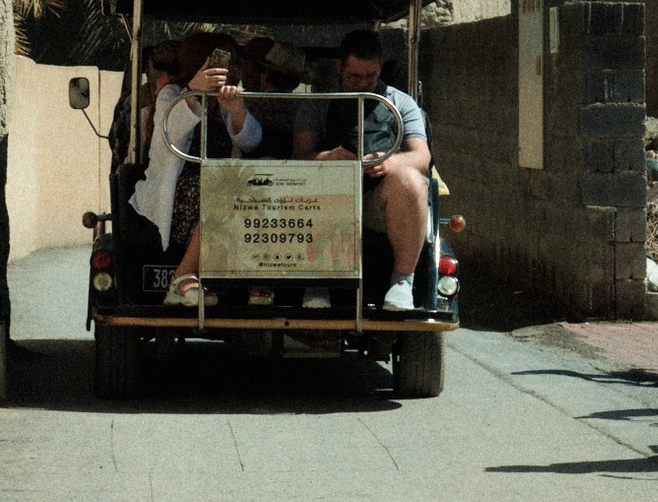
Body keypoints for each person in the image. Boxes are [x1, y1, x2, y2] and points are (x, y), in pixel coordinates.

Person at [292, 28, 432, 312]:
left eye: (371, 77)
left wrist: (390, 162)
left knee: (411, 179)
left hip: (377, 201)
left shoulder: (402, 103)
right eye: (355, 77)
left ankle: (402, 281)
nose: (364, 84)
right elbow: (299, 156)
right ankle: (317, 280)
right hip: (327, 200)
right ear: (339, 67)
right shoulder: (318, 103)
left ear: (380, 68)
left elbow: (421, 156)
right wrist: (326, 157)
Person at [128, 32, 261, 307]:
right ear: (199, 61)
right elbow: (170, 133)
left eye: (232, 60)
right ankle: (184, 275)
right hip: (179, 195)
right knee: (222, 187)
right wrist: (193, 91)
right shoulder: (173, 93)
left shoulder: (225, 101)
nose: (230, 68)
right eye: (220, 60)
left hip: (223, 189)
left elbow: (251, 142)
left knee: (259, 182)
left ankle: (260, 278)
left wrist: (237, 110)